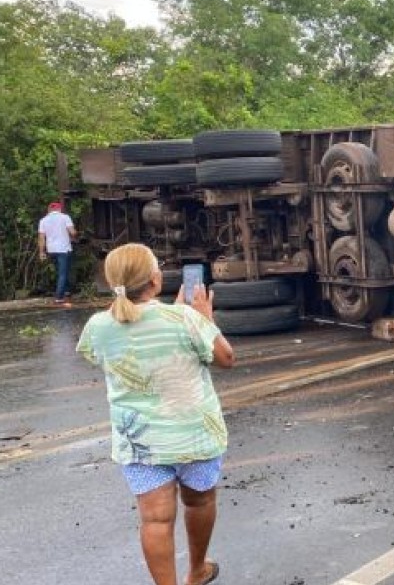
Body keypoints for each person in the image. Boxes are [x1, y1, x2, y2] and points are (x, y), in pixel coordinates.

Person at [76, 243, 236, 585]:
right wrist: (203, 320)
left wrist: (168, 315)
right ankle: (197, 571)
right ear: (156, 279)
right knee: (199, 501)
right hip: (195, 433)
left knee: (155, 520)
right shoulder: (185, 318)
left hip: (140, 443)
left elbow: (104, 347)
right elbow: (226, 359)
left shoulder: (97, 326)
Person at [38, 200, 77, 306]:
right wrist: (74, 236)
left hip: (51, 250)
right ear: (59, 209)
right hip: (63, 249)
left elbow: (41, 238)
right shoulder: (65, 217)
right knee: (63, 273)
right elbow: (72, 232)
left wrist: (41, 252)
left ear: (49, 210)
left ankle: (67, 291)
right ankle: (59, 297)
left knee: (62, 271)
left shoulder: (43, 220)